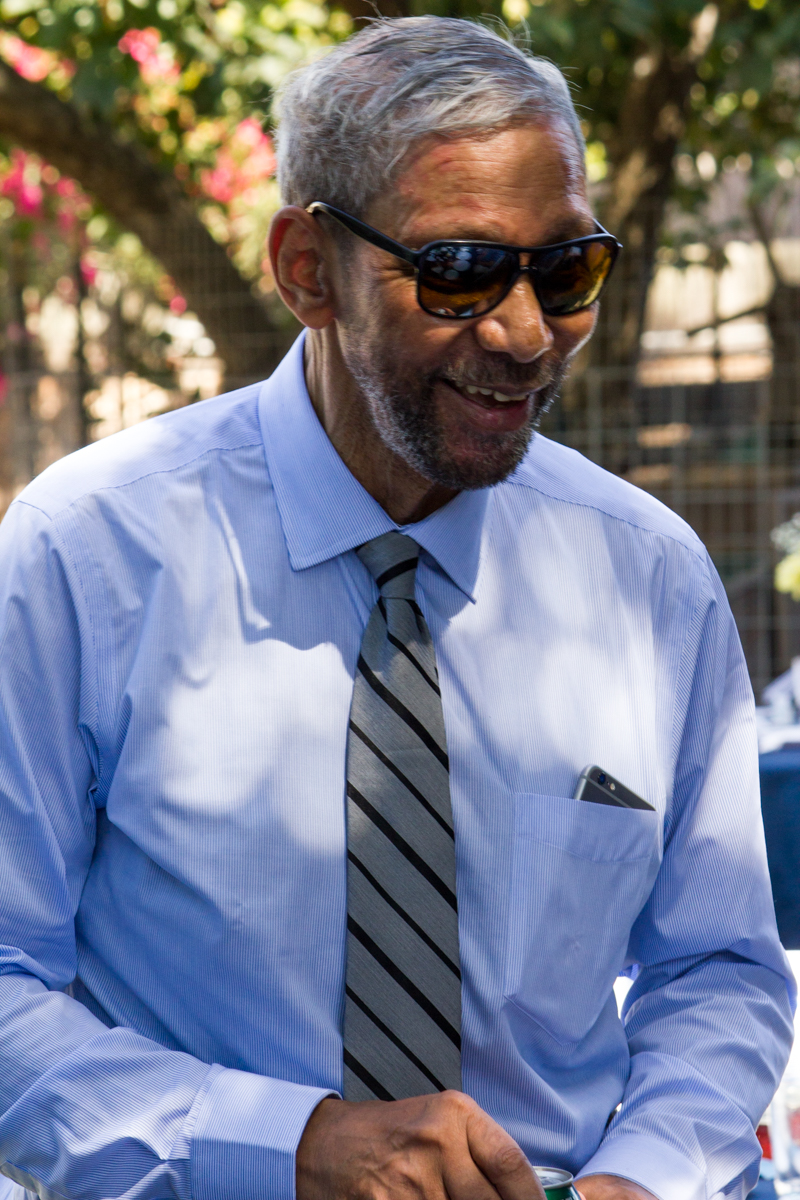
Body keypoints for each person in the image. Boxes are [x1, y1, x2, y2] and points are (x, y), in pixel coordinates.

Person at [0, 17, 792, 1200]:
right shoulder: (85, 558)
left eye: (565, 272)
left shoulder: (648, 579)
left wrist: (641, 1179)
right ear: (305, 270)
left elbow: (717, 971)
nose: (524, 333)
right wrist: (291, 1147)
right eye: (458, 271)